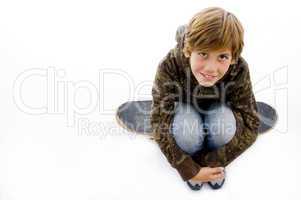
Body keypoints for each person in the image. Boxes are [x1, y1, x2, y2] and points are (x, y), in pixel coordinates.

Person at [150, 7, 260, 191]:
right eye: (203, 54)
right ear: (188, 50)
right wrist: (188, 168)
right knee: (187, 136)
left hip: (219, 106)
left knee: (223, 129)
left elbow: (252, 123)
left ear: (233, 58)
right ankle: (193, 149)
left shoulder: (239, 68)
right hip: (184, 107)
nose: (211, 68)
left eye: (222, 57)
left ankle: (211, 163)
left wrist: (211, 162)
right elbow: (159, 122)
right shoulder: (170, 64)